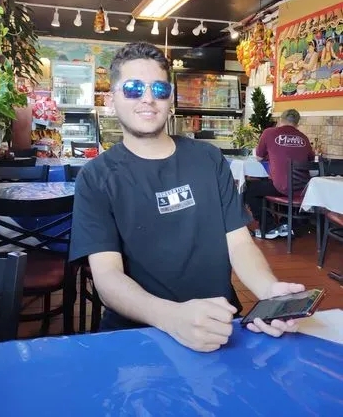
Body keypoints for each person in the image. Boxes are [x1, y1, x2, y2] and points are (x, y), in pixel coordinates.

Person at [70, 43, 305, 353]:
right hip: (138, 335)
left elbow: (239, 244)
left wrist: (269, 290)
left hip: (220, 323)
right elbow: (107, 277)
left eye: (159, 89)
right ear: (112, 100)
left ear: (171, 99)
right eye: (133, 88)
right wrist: (172, 317)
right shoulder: (95, 177)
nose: (148, 98)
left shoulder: (209, 159)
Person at [245, 109, 314, 239]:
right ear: (297, 123)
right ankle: (285, 224)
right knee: (273, 184)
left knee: (250, 188)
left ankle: (269, 227)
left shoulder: (269, 132)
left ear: (280, 120)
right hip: (302, 189)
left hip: (281, 187)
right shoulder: (304, 138)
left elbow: (259, 157)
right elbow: (311, 159)